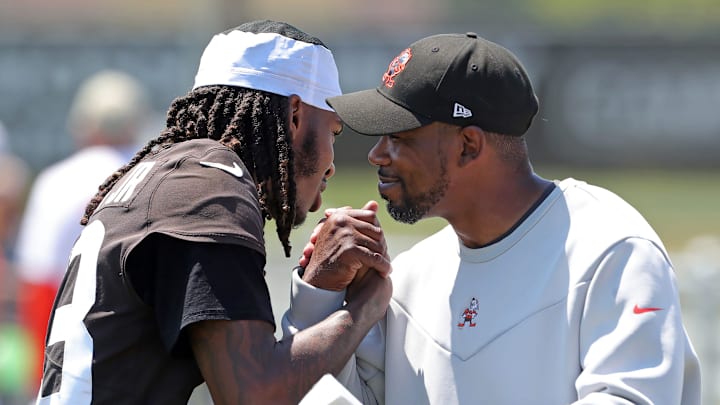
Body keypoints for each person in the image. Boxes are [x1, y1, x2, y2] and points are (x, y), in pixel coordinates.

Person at [283, 32, 701, 404]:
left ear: (468, 145)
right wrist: (318, 298)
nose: (377, 155)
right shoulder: (407, 278)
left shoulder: (613, 249)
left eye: (399, 137)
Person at [34, 20, 391, 404]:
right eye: (333, 132)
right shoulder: (209, 193)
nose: (332, 163)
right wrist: (363, 307)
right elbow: (254, 395)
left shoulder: (174, 174)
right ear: (295, 116)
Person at [14, 69, 152, 392]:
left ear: (84, 124)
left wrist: (40, 380)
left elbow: (37, 284)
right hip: (144, 365)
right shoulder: (157, 181)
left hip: (71, 366)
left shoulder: (55, 181)